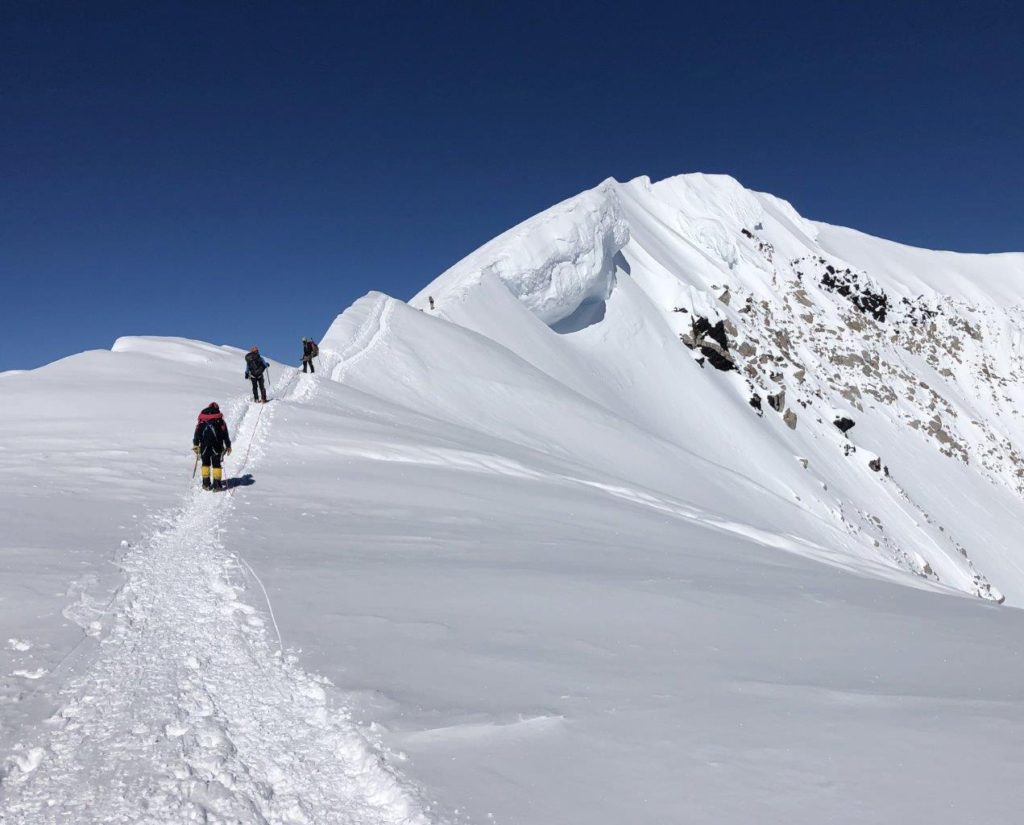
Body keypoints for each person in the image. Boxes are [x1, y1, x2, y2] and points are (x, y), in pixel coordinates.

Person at [192, 402, 231, 491]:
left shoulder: (202, 420)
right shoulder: (220, 421)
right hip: (217, 446)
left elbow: (197, 433)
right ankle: (217, 485)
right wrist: (228, 446)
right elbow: (225, 435)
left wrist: (196, 444)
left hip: (204, 446)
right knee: (216, 465)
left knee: (205, 464)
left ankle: (206, 484)